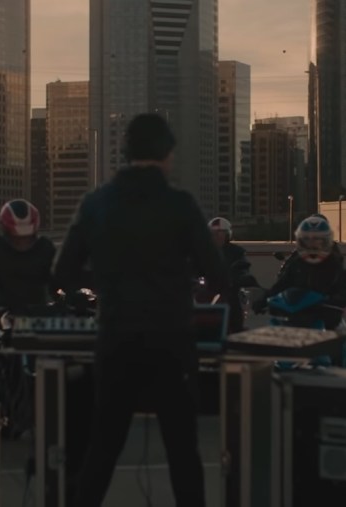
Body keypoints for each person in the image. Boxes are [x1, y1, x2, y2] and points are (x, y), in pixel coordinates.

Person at [55, 113, 227, 507]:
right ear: (167, 152)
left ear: (126, 152)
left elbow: (63, 273)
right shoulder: (180, 205)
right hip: (171, 341)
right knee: (182, 451)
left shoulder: (96, 203)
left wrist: (108, 282)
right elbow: (218, 276)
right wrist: (181, 282)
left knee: (103, 447)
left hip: (116, 339)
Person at [0, 199, 57, 371]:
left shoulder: (45, 247)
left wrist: (72, 294)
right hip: (2, 312)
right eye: (17, 236)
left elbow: (58, 277)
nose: (22, 240)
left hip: (37, 314)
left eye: (27, 236)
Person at [254, 215, 346, 330]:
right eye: (307, 240)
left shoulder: (333, 263)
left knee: (339, 338)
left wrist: (336, 301)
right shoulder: (296, 263)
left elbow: (342, 288)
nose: (312, 244)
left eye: (317, 240)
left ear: (326, 241)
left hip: (322, 317)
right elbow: (281, 284)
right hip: (295, 316)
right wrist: (264, 299)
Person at [207, 216, 251, 333]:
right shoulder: (204, 251)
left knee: (233, 298)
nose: (216, 235)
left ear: (227, 235)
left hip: (228, 288)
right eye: (213, 233)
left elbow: (244, 267)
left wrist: (238, 276)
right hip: (208, 287)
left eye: (220, 232)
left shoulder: (237, 251)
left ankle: (237, 330)